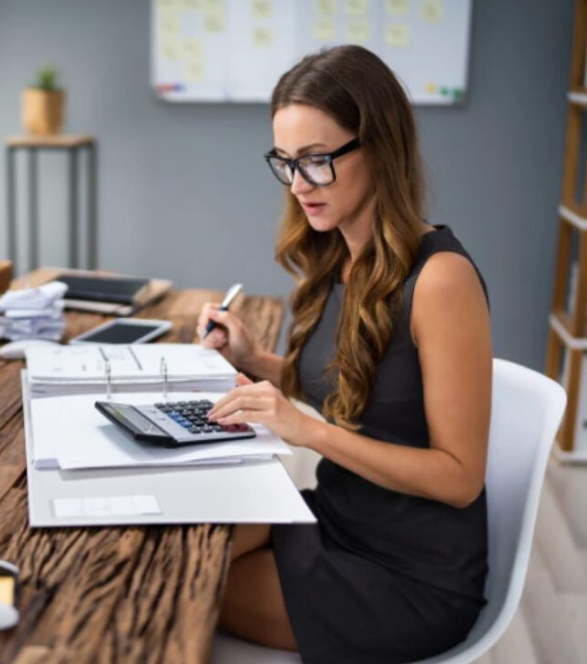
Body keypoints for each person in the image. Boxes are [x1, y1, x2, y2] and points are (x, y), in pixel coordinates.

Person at [197, 45, 491, 663]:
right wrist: (258, 361)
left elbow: (460, 478)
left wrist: (307, 432)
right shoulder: (342, 256)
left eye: (318, 161)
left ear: (380, 146)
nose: (300, 185)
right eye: (287, 162)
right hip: (337, 518)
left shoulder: (440, 280)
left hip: (409, 576)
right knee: (177, 546)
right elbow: (365, 393)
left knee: (183, 587)